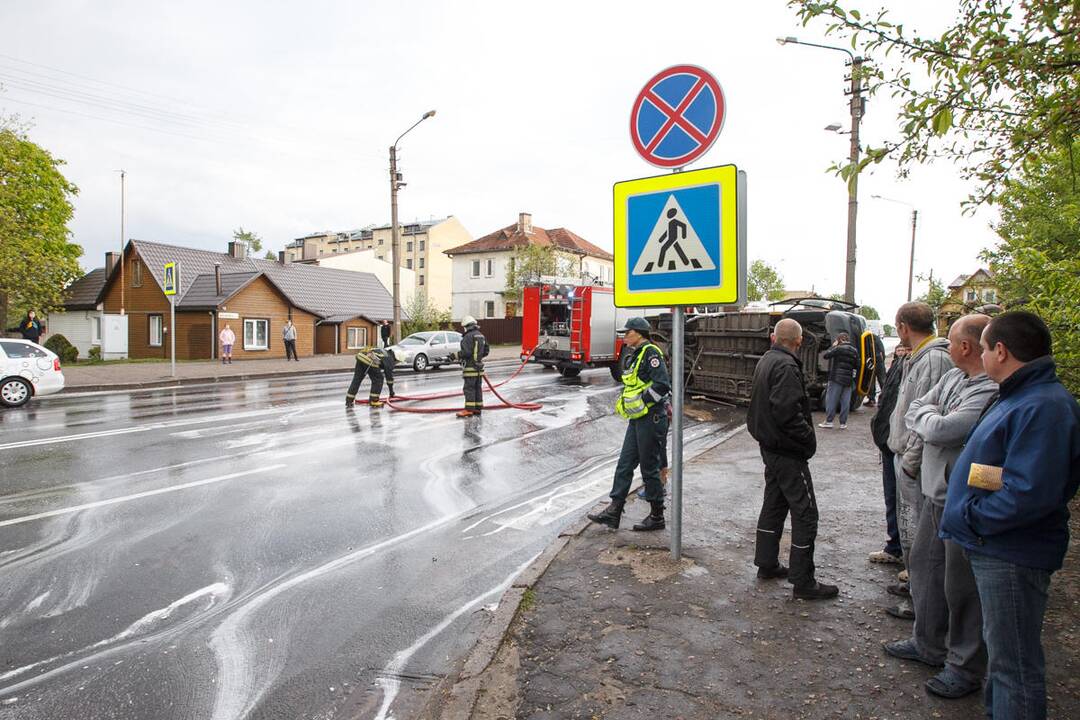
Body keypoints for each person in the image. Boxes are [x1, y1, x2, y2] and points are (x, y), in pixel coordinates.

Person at [941, 311, 1080, 719]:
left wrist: (970, 515)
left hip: (1010, 553)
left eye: (984, 349)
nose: (981, 357)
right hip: (999, 547)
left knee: (1014, 666)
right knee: (1003, 661)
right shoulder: (1022, 396)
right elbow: (1009, 471)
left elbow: (1028, 494)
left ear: (1000, 351)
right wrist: (973, 482)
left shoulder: (1044, 407)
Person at [882, 314, 996, 699]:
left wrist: (929, 421)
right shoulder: (955, 378)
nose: (947, 347)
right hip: (935, 491)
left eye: (952, 341)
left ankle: (964, 666)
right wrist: (930, 420)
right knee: (925, 567)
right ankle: (927, 644)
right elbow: (920, 410)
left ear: (965, 347)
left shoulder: (988, 389)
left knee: (961, 586)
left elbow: (943, 429)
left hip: (959, 499)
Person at [746, 318, 837, 600]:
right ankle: (803, 581)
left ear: (774, 338)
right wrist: (808, 439)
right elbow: (788, 412)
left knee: (774, 504)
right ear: (798, 342)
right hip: (787, 451)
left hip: (771, 448)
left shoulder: (767, 360)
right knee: (806, 512)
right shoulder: (786, 365)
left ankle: (767, 563)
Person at [886, 302, 953, 620]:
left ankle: (921, 600)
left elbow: (928, 417)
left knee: (920, 533)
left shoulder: (935, 359)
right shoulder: (920, 357)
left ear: (903, 327)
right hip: (906, 456)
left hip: (915, 462)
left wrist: (910, 462)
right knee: (911, 528)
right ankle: (915, 586)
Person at [588, 317, 670, 532]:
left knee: (649, 468)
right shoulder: (635, 354)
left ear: (639, 333)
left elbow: (662, 385)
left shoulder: (651, 353)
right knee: (625, 464)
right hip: (638, 419)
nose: (624, 336)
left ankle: (656, 516)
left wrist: (643, 401)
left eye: (628, 332)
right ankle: (614, 510)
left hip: (651, 418)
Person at [867, 344, 911, 565]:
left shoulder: (926, 361)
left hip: (901, 447)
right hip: (889, 442)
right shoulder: (904, 361)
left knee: (905, 502)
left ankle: (909, 557)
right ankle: (896, 547)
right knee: (893, 497)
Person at [819, 332, 859, 429]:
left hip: (836, 378)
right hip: (848, 379)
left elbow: (826, 356)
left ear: (839, 340)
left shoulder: (838, 348)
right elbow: (857, 365)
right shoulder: (854, 351)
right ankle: (843, 423)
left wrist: (833, 346)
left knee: (832, 399)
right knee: (845, 401)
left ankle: (829, 421)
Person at [457, 316, 489, 418]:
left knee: (469, 388)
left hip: (470, 368)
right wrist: (478, 358)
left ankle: (469, 410)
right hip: (479, 368)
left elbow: (466, 352)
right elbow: (486, 351)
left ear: (467, 326)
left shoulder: (468, 336)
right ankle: (477, 408)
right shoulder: (481, 336)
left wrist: (455, 355)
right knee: (477, 388)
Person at [866, 331, 887, 407]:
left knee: (879, 381)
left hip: (875, 362)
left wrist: (881, 361)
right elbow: (882, 351)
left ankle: (876, 399)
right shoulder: (873, 337)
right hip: (875, 361)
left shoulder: (871, 337)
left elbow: (882, 351)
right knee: (873, 381)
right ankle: (873, 399)